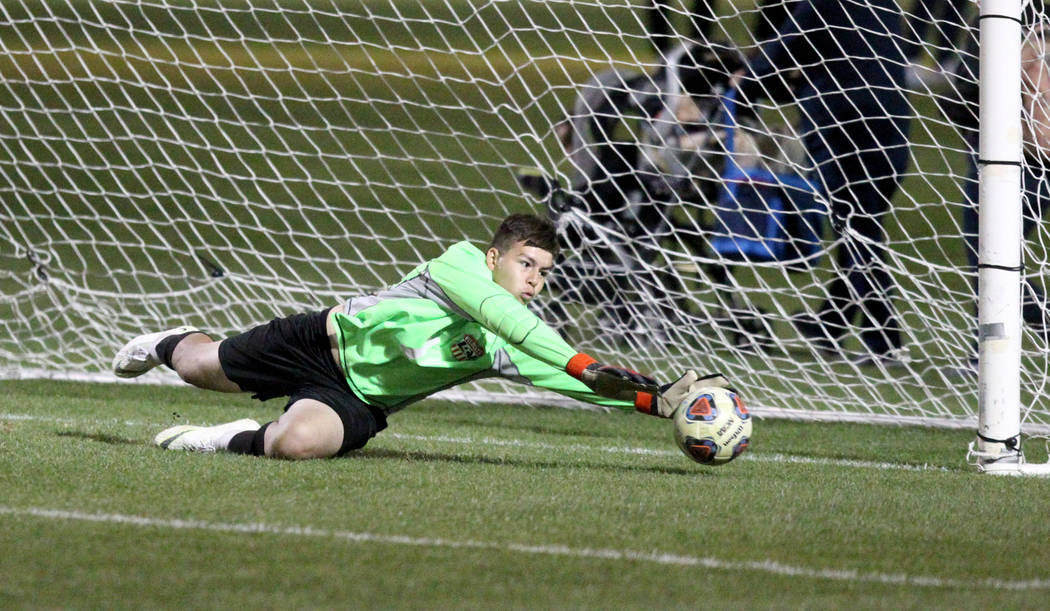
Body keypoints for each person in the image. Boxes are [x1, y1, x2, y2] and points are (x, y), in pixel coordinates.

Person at [113, 214, 724, 459]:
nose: (535, 281)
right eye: (526, 265)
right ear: (493, 258)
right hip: (316, 341)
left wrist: (653, 398)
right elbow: (508, 318)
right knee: (200, 367)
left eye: (545, 273)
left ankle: (229, 440)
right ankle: (165, 341)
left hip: (358, 399)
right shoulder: (458, 266)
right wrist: (583, 360)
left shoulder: (522, 340)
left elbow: (574, 382)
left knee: (297, 445)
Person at [734, 0, 913, 364]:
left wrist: (740, 89)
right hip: (894, 120)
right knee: (864, 224)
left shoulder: (823, 4)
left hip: (840, 120)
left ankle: (886, 340)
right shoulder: (887, 7)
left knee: (855, 227)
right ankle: (831, 323)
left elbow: (778, 56)